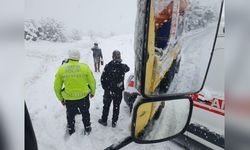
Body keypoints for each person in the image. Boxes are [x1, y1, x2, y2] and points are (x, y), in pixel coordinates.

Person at [54, 50, 96, 135]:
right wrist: (92, 92)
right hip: (83, 97)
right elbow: (92, 81)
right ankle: (87, 127)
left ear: (69, 57)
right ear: (78, 57)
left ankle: (71, 128)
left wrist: (61, 98)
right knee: (85, 113)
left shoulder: (62, 68)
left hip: (69, 99)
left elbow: (56, 86)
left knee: (70, 114)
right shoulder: (85, 67)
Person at [98, 50, 130, 128]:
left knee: (106, 106)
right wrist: (120, 63)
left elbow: (102, 79)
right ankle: (114, 122)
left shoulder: (108, 66)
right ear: (120, 57)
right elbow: (128, 68)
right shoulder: (123, 67)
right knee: (116, 107)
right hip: (118, 91)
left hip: (108, 91)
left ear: (112, 57)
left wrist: (106, 88)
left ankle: (104, 120)